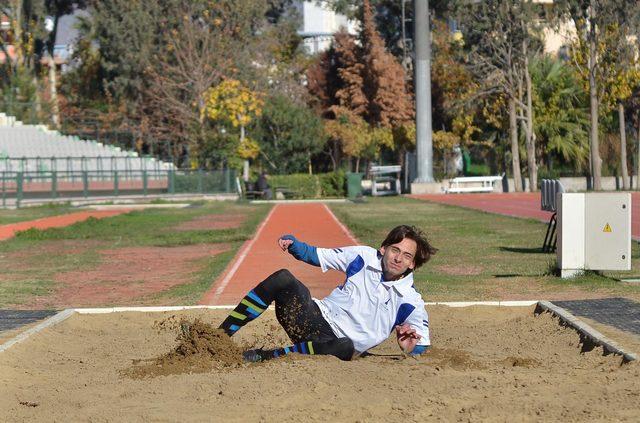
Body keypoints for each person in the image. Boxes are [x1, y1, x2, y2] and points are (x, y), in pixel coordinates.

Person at [218, 225, 437, 362]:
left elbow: (420, 344)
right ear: (383, 249)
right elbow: (317, 255)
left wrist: (410, 348)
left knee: (346, 345)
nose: (398, 259)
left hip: (335, 346)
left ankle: (266, 355)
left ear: (412, 264)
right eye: (395, 250)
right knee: (283, 278)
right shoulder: (362, 257)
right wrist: (294, 245)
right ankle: (217, 337)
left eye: (407, 256)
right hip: (310, 318)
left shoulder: (411, 301)